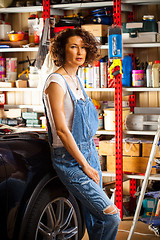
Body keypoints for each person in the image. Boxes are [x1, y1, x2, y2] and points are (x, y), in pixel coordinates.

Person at [43, 27, 120, 240]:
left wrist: (90, 160)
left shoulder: (75, 79)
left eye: (83, 47)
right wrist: (85, 165)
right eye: (73, 47)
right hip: (70, 160)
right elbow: (61, 130)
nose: (80, 52)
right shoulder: (56, 82)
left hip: (89, 153)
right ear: (61, 50)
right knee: (111, 216)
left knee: (95, 219)